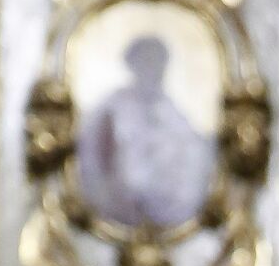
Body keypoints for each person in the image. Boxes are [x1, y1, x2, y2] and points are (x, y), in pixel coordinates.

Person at [74, 34, 215, 232]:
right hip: (119, 206)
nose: (154, 70)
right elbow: (93, 155)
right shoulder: (113, 106)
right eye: (147, 61)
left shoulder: (170, 109)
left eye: (159, 63)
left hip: (166, 209)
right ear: (134, 65)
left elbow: (193, 151)